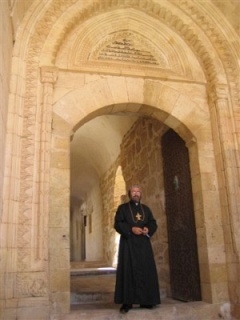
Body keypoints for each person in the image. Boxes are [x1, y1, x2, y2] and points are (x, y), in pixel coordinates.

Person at [114, 184, 161, 313]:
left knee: (145, 270)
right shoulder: (122, 208)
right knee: (128, 271)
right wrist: (131, 229)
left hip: (143, 245)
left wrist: (148, 229)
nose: (136, 193)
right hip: (128, 244)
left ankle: (146, 301)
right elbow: (117, 224)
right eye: (134, 191)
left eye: (138, 191)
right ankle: (127, 302)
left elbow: (152, 222)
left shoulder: (146, 209)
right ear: (129, 194)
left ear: (141, 194)